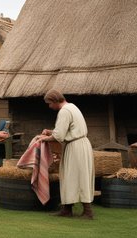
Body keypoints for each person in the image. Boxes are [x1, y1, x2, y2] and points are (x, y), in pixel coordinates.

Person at [37, 89, 95, 219]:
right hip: (81, 144)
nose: (49, 106)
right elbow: (66, 130)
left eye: (49, 103)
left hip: (76, 146)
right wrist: (50, 131)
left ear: (54, 100)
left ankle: (87, 211)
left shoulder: (64, 111)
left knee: (78, 176)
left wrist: (43, 138)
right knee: (71, 176)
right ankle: (67, 209)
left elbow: (59, 135)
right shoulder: (72, 107)